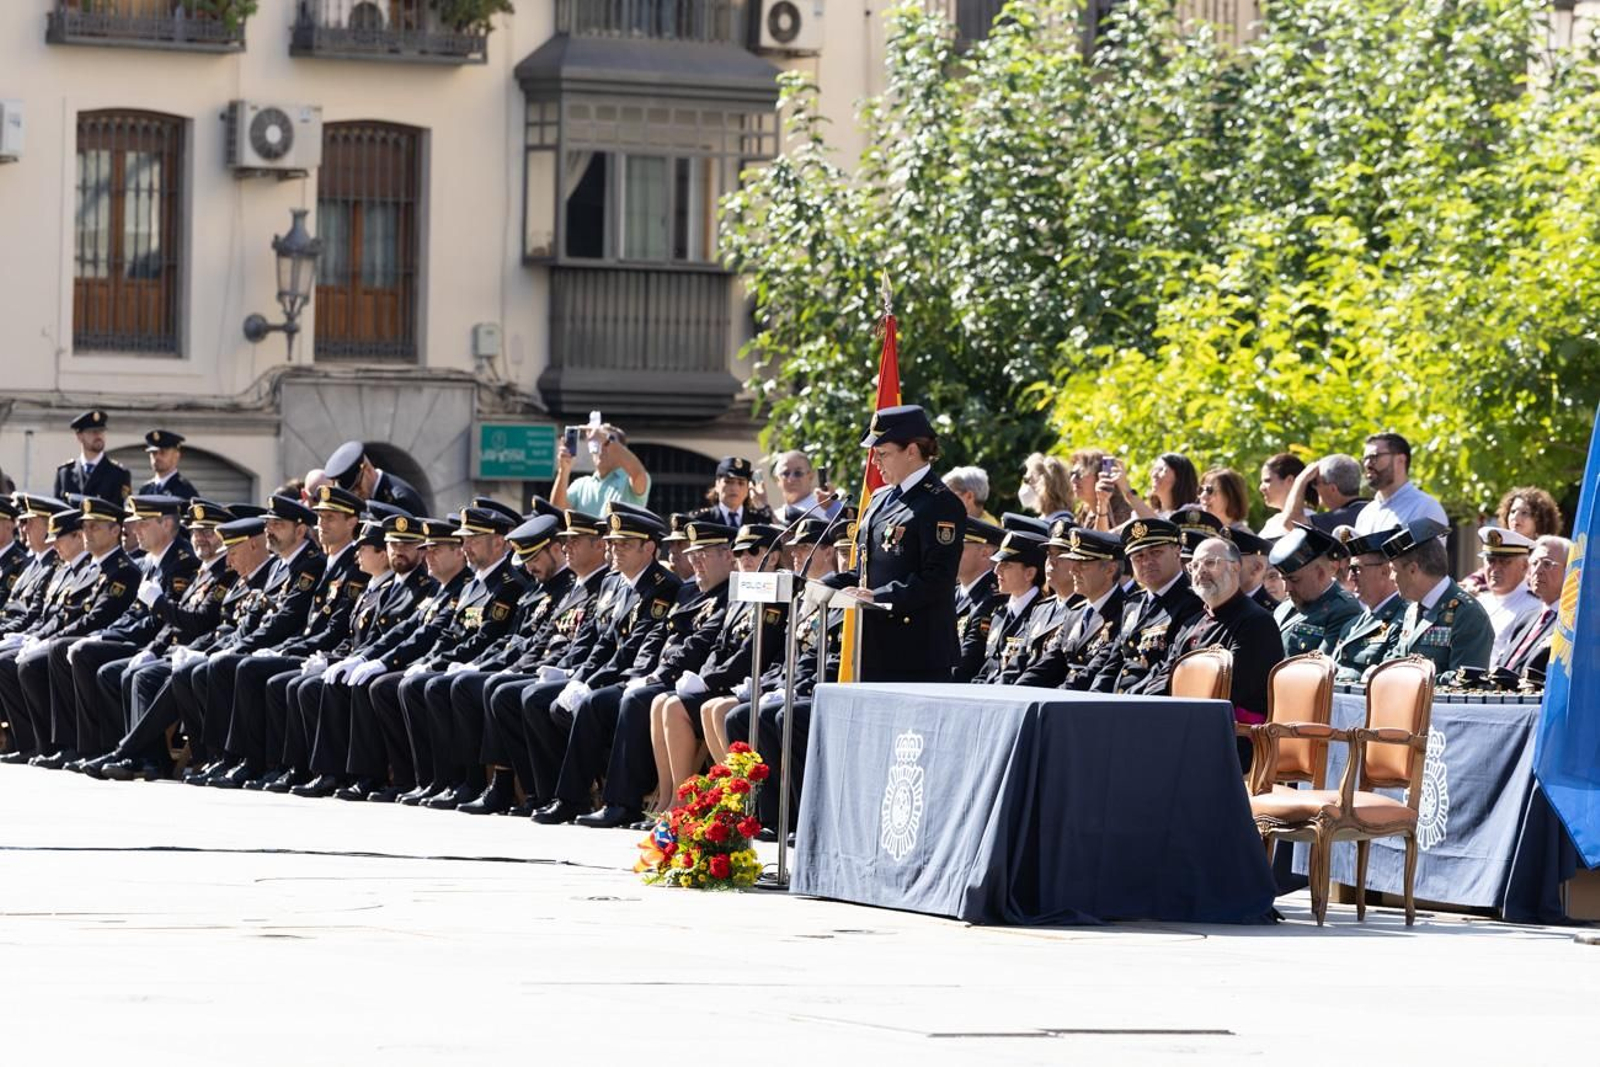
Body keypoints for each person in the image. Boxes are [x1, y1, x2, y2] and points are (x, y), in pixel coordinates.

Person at [827, 404, 966, 682]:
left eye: (883, 454)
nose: (875, 463)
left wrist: (879, 597)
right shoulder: (880, 498)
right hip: (873, 646)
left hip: (917, 652)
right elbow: (865, 572)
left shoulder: (939, 503)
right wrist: (821, 585)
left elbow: (938, 578)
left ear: (912, 451)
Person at [1169, 536, 1285, 761]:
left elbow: (1230, 688)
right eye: (1194, 565)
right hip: (1188, 727)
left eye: (1210, 562)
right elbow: (1166, 674)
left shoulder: (1256, 622)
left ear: (1235, 567)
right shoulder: (1192, 623)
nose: (1200, 571)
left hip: (1232, 740)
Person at [1087, 518, 1206, 694]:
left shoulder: (1194, 603)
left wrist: (1127, 699)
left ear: (1177, 552)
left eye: (1156, 552)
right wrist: (1094, 698)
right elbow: (1113, 663)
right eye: (1139, 556)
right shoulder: (1133, 604)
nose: (1146, 562)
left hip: (1152, 705)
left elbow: (1170, 667)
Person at [1015, 527, 1129, 690]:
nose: (1073, 570)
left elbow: (1094, 673)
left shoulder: (1125, 613)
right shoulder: (1076, 613)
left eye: (1082, 564)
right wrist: (1014, 692)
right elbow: (1048, 665)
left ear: (1110, 570)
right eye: (1073, 562)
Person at [1380, 518, 1494, 680]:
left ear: (1413, 570)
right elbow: (1396, 660)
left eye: (1393, 570)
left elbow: (1465, 681)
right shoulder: (1413, 609)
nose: (1391, 577)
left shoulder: (1467, 614)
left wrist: (1412, 681)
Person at [1268, 523, 1362, 656]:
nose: (1287, 588)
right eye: (1284, 579)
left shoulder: (1343, 610)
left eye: (1294, 580)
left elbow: (1318, 667)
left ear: (1320, 573)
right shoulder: (1284, 608)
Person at [1329, 527, 1406, 682]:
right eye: (1349, 569)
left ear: (1385, 571)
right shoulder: (1352, 624)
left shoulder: (1404, 620)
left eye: (1356, 569)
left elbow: (1386, 680)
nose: (1350, 577)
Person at [971, 531, 1047, 684]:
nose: (996, 570)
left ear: (1029, 573)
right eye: (998, 564)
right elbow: (988, 669)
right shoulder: (999, 613)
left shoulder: (1041, 615)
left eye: (1006, 565)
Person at [1492, 535, 1570, 683]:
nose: (1538, 570)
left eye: (1547, 564)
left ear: (1569, 571)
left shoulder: (1571, 623)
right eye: (1534, 563)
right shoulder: (1527, 618)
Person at [1463, 487, 1563, 593]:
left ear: (1540, 520)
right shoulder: (1503, 547)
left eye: (1524, 513)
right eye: (1512, 511)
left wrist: (1480, 589)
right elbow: (1482, 575)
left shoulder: (1548, 554)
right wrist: (1470, 583)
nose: (1515, 517)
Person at [1470, 527, 1542, 663]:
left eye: (1504, 562)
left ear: (1524, 566)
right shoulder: (1479, 602)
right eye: (1491, 561)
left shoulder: (1534, 608)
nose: (1495, 568)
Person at [1353, 432, 1449, 535]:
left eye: (1374, 457)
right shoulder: (1366, 514)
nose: (1367, 464)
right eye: (1365, 459)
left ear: (1400, 460)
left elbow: (1433, 551)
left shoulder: (1425, 508)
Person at [551, 422, 651, 513]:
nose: (601, 447)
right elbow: (557, 510)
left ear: (622, 450)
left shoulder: (628, 481)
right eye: (597, 441)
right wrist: (563, 470)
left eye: (606, 443)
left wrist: (606, 439)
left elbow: (638, 474)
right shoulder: (581, 485)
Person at [952, 517, 1003, 682]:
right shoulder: (949, 594)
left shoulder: (993, 599)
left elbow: (966, 664)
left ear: (985, 553)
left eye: (959, 547)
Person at [322, 441, 427, 516]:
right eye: (351, 492)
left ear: (367, 469)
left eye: (357, 486)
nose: (356, 494)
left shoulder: (400, 498)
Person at [53, 409, 133, 503]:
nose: (98, 436)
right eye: (93, 431)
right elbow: (58, 512)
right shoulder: (65, 473)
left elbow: (122, 512)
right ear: (80, 436)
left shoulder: (118, 474)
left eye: (101, 431)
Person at [1287, 454, 1369, 533]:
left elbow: (1290, 524)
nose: (1314, 487)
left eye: (1316, 482)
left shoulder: (1338, 518)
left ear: (1333, 489)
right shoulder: (1371, 507)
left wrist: (1300, 480)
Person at [690, 457, 773, 528]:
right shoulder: (701, 520)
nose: (734, 488)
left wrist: (763, 505)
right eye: (728, 482)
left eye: (741, 483)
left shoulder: (758, 522)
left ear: (748, 487)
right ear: (717, 484)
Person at [1120, 453, 1199, 521]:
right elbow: (1112, 535)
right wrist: (1106, 501)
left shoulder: (1191, 512)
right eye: (1154, 470)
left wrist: (1126, 488)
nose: (1154, 475)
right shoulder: (1148, 513)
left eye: (1161, 470)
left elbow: (1161, 529)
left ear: (1180, 477)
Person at [772, 450, 841, 520]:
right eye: (786, 473)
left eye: (798, 473)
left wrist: (832, 507)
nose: (791, 478)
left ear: (810, 475)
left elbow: (848, 527)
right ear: (777, 480)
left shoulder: (823, 505)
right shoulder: (776, 516)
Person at [1074, 449, 1133, 529]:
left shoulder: (1121, 512)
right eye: (1072, 474)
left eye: (1080, 473)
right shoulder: (1084, 511)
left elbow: (1099, 539)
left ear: (1101, 475)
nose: (1073, 479)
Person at [1257, 453, 1312, 538]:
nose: (1261, 488)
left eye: (1267, 481)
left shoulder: (1310, 519)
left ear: (1290, 480)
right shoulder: (1272, 522)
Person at [138, 430, 200, 500]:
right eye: (154, 453)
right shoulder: (145, 490)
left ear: (176, 456)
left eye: (163, 452)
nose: (157, 457)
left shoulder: (185, 490)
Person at [1019, 453, 1075, 521]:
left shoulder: (1058, 525)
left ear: (1044, 485)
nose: (1025, 485)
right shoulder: (1050, 519)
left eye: (1027, 480)